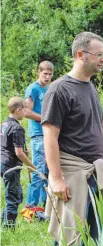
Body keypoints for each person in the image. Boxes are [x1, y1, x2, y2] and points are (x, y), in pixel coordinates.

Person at [41, 32, 103, 246]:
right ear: (81, 55)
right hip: (73, 174)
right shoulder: (59, 89)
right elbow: (49, 136)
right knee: (70, 242)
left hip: (95, 172)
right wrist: (57, 178)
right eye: (98, 54)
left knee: (97, 238)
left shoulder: (90, 87)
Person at [1, 97, 37, 228]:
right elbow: (19, 153)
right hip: (11, 166)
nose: (26, 113)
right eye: (25, 110)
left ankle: (4, 219)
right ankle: (8, 227)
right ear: (18, 110)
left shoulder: (4, 125)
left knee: (16, 194)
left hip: (3, 164)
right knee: (13, 197)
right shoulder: (17, 128)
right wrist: (32, 166)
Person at [24, 61, 54, 210]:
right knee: (39, 171)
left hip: (49, 134)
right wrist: (44, 118)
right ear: (39, 72)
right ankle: (29, 208)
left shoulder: (49, 88)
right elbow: (26, 111)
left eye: (50, 74)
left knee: (48, 171)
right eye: (45, 74)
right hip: (38, 135)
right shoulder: (33, 89)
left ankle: (42, 207)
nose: (47, 77)